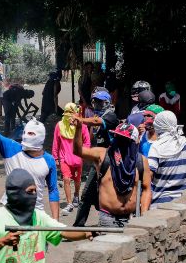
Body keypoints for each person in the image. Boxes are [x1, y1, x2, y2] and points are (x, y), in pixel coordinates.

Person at [73, 121, 147, 227]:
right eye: (118, 137)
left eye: (124, 139)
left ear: (133, 142)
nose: (120, 142)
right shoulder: (103, 155)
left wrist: (143, 216)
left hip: (132, 218)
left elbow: (146, 189)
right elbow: (78, 151)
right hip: (108, 218)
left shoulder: (141, 161)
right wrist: (78, 128)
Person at [72, 87, 120, 227]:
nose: (97, 105)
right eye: (95, 102)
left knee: (108, 194)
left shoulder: (110, 116)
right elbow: (93, 137)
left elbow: (95, 121)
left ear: (107, 103)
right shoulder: (97, 118)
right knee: (87, 194)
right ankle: (78, 226)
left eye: (100, 102)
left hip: (111, 163)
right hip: (98, 161)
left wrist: (80, 120)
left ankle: (113, 223)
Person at [148, 111, 186, 207]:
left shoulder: (156, 147)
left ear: (158, 126)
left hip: (161, 205)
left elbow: (149, 175)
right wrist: (185, 172)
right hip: (185, 202)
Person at [52, 103, 91, 215]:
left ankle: (76, 195)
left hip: (77, 158)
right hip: (64, 157)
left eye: (71, 114)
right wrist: (56, 158)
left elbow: (87, 142)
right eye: (67, 113)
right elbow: (56, 143)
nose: (69, 117)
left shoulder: (82, 126)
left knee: (77, 180)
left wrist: (84, 153)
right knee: (66, 179)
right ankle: (69, 203)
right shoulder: (59, 126)